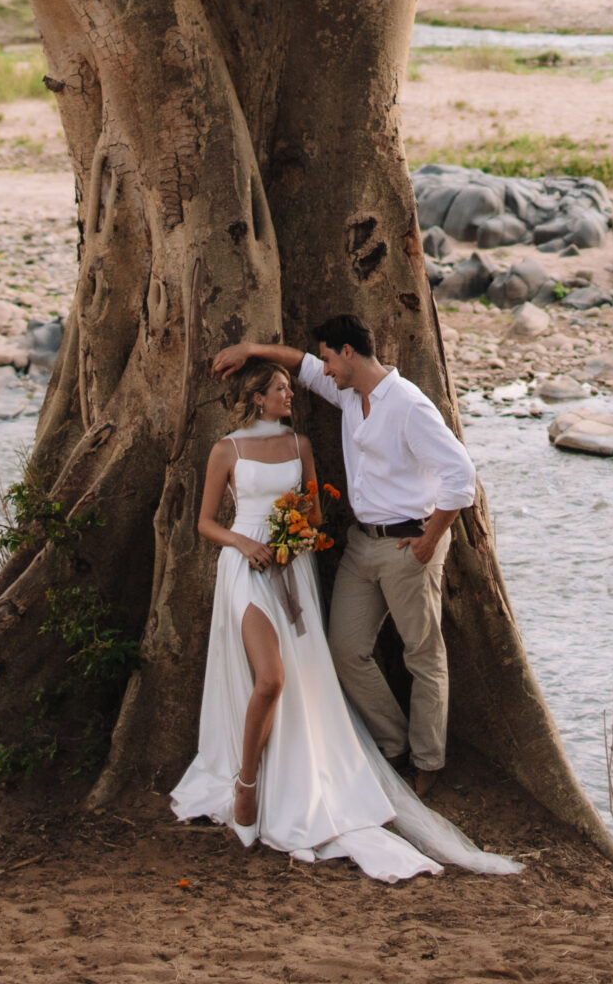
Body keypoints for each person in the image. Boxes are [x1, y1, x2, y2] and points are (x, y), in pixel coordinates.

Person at [169, 356, 516, 883]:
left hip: (294, 568)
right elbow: (204, 524)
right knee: (270, 678)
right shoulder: (227, 450)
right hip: (245, 570)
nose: (291, 395)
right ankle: (244, 784)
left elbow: (314, 514)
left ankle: (303, 771)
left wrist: (298, 531)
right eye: (281, 389)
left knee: (305, 676)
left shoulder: (301, 446)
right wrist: (246, 541)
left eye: (290, 387)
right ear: (258, 397)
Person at [211, 313, 478, 795]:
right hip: (361, 544)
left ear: (349, 353)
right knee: (346, 651)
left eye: (331, 358)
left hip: (407, 543)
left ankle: (426, 763)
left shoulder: (410, 406)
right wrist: (251, 348)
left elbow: (462, 478)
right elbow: (304, 365)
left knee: (422, 655)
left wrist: (429, 540)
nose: (325, 369)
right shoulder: (352, 394)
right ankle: (392, 743)